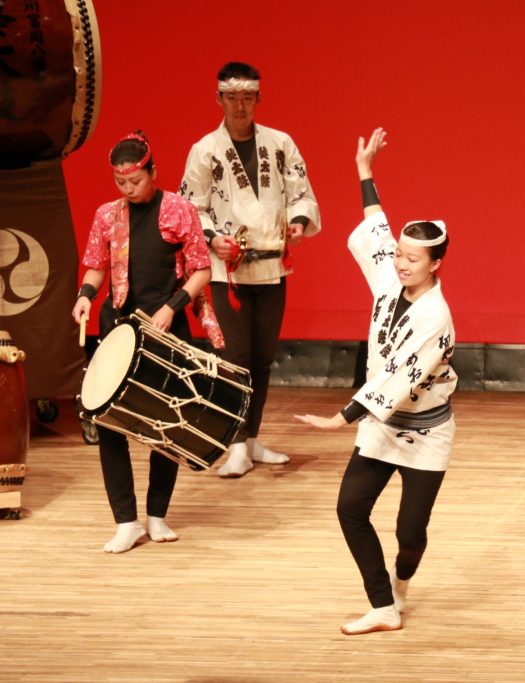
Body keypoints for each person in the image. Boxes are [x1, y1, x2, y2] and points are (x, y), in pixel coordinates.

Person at [296, 128, 457, 635]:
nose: (400, 262)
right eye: (400, 255)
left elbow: (397, 380)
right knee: (350, 508)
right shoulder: (392, 277)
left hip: (425, 430)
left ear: (436, 264)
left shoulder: (436, 316)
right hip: (382, 425)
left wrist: (339, 419)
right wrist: (365, 170)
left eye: (412, 258)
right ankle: (383, 605)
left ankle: (402, 579)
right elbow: (377, 227)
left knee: (410, 533)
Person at [72, 132, 216, 553]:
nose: (128, 189)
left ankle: (157, 515)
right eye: (121, 182)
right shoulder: (107, 215)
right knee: (108, 423)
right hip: (118, 328)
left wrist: (172, 307)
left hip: (164, 327)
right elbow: (96, 266)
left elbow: (201, 270)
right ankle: (126, 521)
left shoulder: (178, 210)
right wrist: (85, 295)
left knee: (166, 423)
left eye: (135, 181)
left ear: (153, 172)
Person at [180, 61, 321, 478]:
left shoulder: (280, 143)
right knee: (235, 358)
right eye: (231, 98)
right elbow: (191, 207)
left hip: (272, 266)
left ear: (259, 98)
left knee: (262, 359)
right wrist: (211, 239)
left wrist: (298, 222)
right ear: (218, 99)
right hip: (228, 270)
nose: (239, 106)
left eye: (247, 98)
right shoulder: (205, 150)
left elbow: (301, 193)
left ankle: (253, 438)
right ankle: (236, 444)